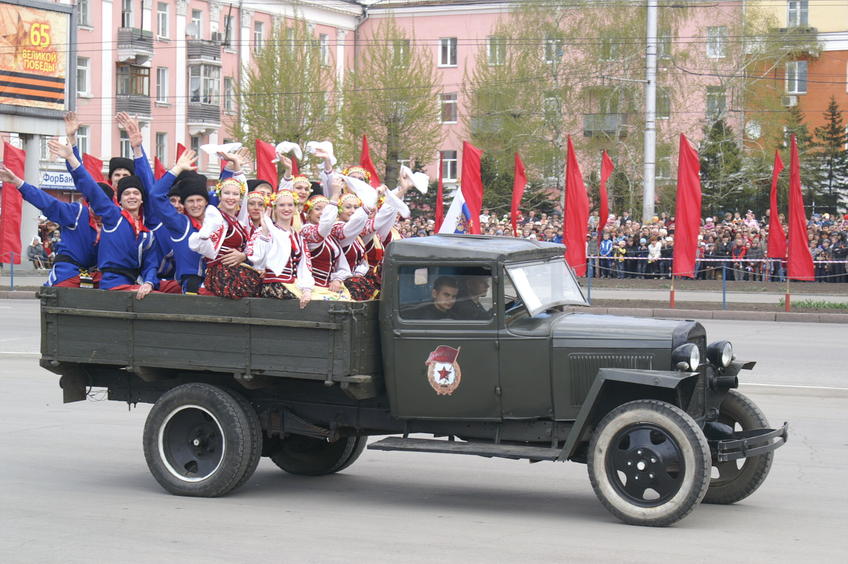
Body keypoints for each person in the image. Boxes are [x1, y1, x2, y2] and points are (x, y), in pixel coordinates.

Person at [50, 137, 159, 299]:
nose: (132, 197)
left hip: (133, 281)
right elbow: (90, 188)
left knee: (171, 291)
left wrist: (149, 282)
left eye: (136, 193)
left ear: (142, 199)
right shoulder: (113, 216)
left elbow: (150, 263)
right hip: (112, 283)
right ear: (119, 200)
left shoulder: (147, 232)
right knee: (157, 300)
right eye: (127, 194)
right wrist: (72, 158)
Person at [247, 189, 314, 307]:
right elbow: (257, 260)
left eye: (290, 205)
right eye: (281, 205)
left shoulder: (299, 237)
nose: (286, 209)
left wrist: (307, 290)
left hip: (294, 285)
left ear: (295, 208)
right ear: (275, 208)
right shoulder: (265, 231)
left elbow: (304, 266)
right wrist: (265, 232)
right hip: (274, 286)